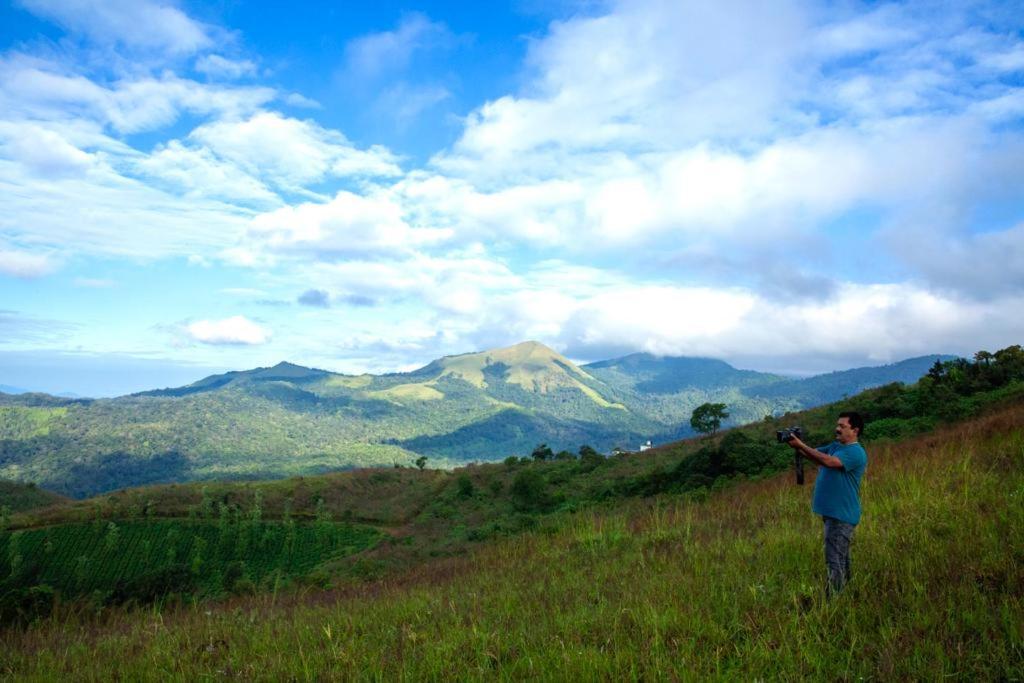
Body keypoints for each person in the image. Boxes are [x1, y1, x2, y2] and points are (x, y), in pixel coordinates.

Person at [786, 412, 867, 596]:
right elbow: (816, 457)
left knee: (834, 560)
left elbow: (829, 462)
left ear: (855, 430)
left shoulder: (855, 452)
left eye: (842, 426)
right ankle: (847, 593)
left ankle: (834, 601)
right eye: (837, 424)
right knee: (841, 558)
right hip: (834, 514)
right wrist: (797, 445)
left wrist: (801, 445)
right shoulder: (835, 447)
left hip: (841, 515)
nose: (837, 428)